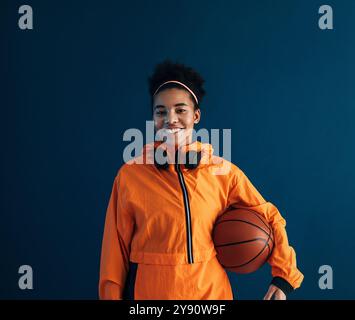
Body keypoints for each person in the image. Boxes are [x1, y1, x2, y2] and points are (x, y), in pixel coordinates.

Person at [99, 60, 304, 300]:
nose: (171, 119)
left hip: (212, 296)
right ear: (153, 117)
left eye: (180, 109)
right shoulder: (130, 175)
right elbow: (114, 251)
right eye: (161, 111)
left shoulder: (222, 172)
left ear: (196, 115)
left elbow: (270, 216)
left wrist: (283, 277)